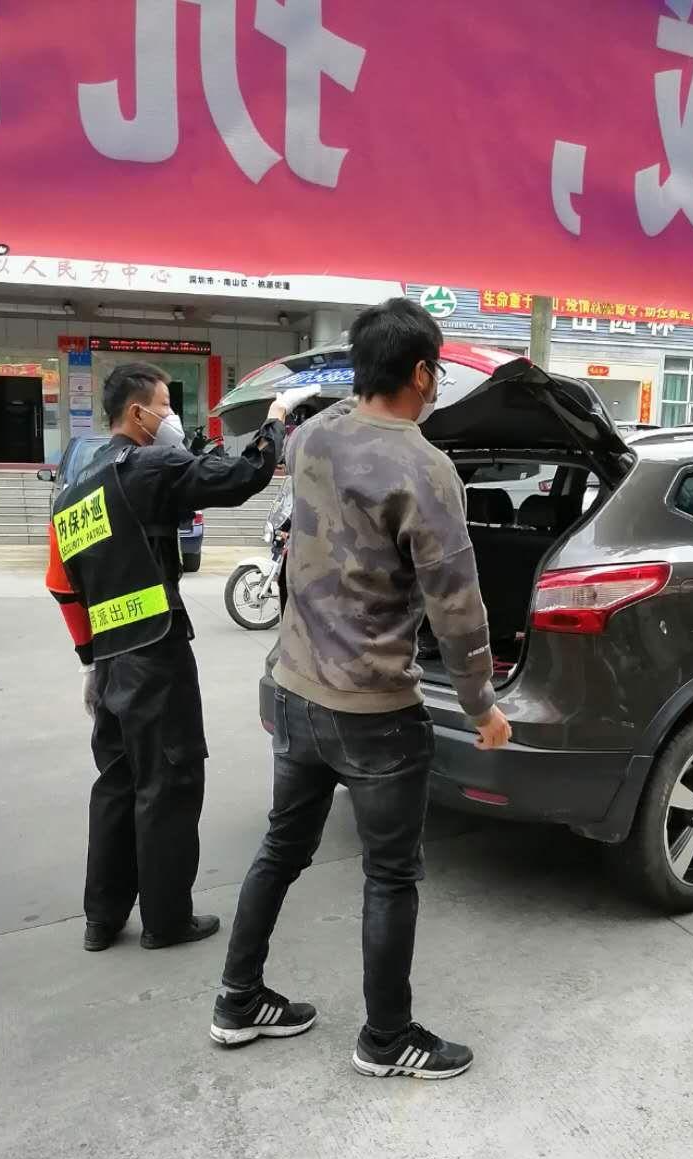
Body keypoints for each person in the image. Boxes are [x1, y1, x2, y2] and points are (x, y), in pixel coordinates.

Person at [211, 298, 512, 1080]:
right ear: (422, 373)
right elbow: (456, 605)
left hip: (295, 690)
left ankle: (237, 1000)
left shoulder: (312, 436)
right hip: (375, 711)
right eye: (434, 371)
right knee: (390, 875)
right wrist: (481, 704)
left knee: (281, 848)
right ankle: (386, 1038)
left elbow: (320, 428)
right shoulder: (425, 469)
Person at [46, 362, 316, 955]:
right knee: (169, 783)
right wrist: (275, 419)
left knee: (117, 786)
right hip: (155, 656)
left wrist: (90, 661)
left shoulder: (74, 492)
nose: (170, 417)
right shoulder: (148, 466)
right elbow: (242, 475)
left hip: (110, 663)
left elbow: (63, 585)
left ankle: (102, 919)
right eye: (166, 406)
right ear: (137, 412)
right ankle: (167, 921)